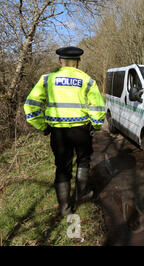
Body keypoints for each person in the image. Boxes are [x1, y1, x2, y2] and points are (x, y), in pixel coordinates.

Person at [23, 47, 106, 216]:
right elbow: (97, 107)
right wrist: (95, 125)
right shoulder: (87, 80)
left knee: (62, 167)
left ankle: (65, 208)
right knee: (83, 161)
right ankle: (81, 194)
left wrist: (43, 126)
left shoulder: (47, 80)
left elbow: (30, 106)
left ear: (60, 61)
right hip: (82, 130)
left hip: (58, 132)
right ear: (78, 62)